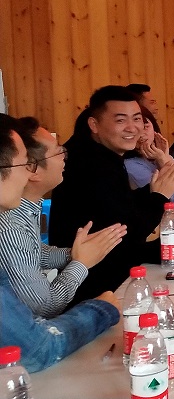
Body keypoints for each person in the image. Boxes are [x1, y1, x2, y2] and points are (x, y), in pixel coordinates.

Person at [49, 86, 174, 303]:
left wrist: (154, 191)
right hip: (101, 289)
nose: (132, 128)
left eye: (137, 119)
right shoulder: (89, 164)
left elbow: (121, 207)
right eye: (120, 120)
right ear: (94, 124)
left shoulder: (102, 155)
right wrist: (159, 195)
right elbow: (129, 232)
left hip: (117, 269)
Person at [0, 114, 121, 373]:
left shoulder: (18, 212)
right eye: (24, 164)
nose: (26, 173)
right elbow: (40, 337)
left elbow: (33, 253)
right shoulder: (8, 224)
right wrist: (100, 304)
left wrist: (75, 254)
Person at [124, 107, 174, 213]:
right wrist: (163, 159)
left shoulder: (156, 155)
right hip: (171, 216)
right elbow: (167, 195)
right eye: (136, 129)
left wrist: (165, 156)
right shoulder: (130, 164)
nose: (141, 134)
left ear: (154, 129)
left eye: (145, 127)